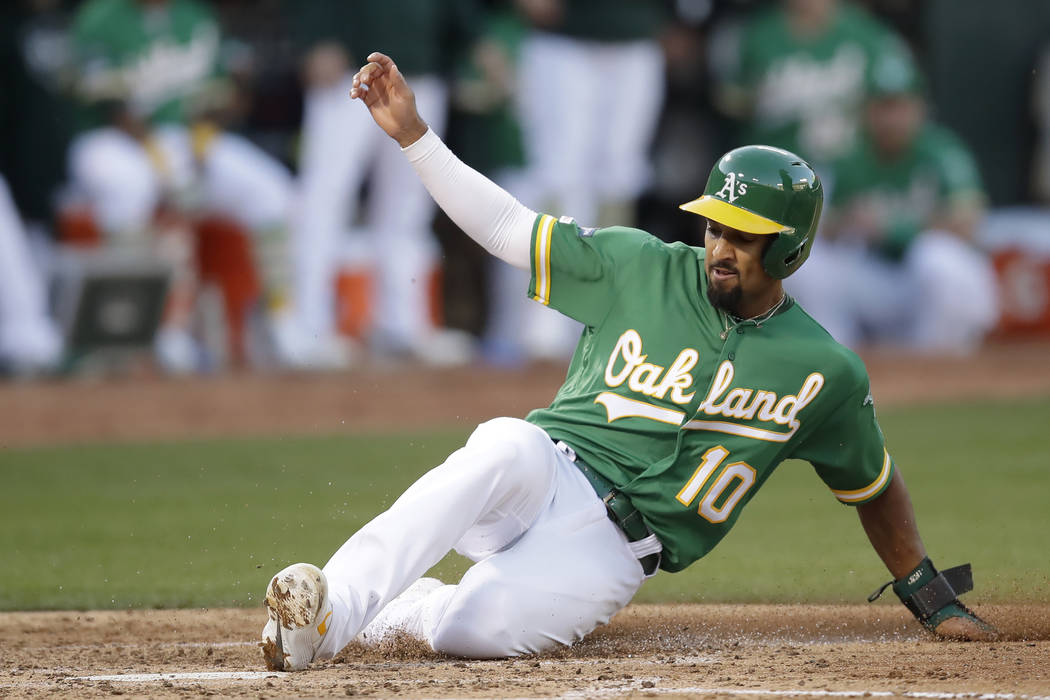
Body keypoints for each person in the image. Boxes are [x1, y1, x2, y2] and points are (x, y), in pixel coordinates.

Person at [260, 52, 995, 670]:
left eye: (743, 235)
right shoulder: (640, 264)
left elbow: (874, 485)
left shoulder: (823, 373)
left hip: (615, 553)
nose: (720, 246)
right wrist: (417, 136)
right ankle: (329, 609)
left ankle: (417, 610)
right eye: (715, 227)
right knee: (500, 444)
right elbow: (512, 228)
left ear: (792, 247)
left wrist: (930, 596)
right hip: (546, 468)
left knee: (471, 634)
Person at [66, 0, 307, 372]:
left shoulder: (195, 16)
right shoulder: (100, 17)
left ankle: (282, 320)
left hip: (185, 138)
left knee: (272, 191)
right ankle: (142, 328)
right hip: (111, 140)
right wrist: (164, 164)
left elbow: (223, 96)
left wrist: (200, 141)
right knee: (132, 188)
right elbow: (111, 105)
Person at [289, 0, 479, 365]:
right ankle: (307, 329)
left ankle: (403, 325)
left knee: (409, 205)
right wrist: (315, 37)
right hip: (348, 65)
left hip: (420, 66)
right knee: (325, 198)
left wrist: (469, 38)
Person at [787, 48, 998, 353]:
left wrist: (895, 227)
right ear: (865, 111)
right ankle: (838, 364)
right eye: (882, 107)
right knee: (808, 265)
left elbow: (969, 223)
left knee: (936, 257)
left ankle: (940, 369)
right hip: (879, 282)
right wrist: (848, 221)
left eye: (900, 106)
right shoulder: (849, 157)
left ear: (919, 108)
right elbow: (815, 227)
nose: (891, 118)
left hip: (931, 288)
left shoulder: (942, 151)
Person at [712, 0, 908, 171]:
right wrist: (766, 102)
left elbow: (899, 101)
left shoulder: (867, 35)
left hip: (849, 175)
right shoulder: (755, 35)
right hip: (774, 171)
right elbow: (728, 100)